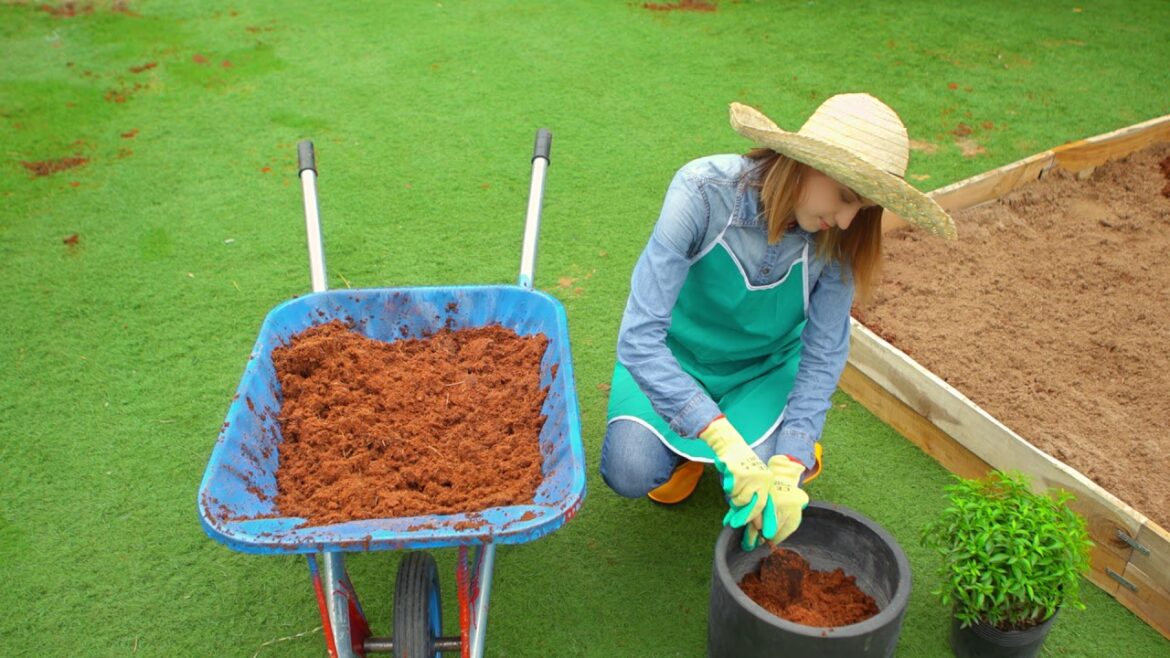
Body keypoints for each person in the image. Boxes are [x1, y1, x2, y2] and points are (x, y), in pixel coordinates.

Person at [600, 93, 957, 550]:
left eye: (862, 208)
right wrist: (721, 437)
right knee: (630, 469)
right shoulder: (701, 193)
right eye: (846, 198)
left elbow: (824, 351)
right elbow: (639, 340)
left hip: (764, 372)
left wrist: (791, 458)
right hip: (679, 361)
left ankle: (776, 444)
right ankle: (702, 447)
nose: (848, 221)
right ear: (804, 163)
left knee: (768, 486)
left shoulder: (839, 241)